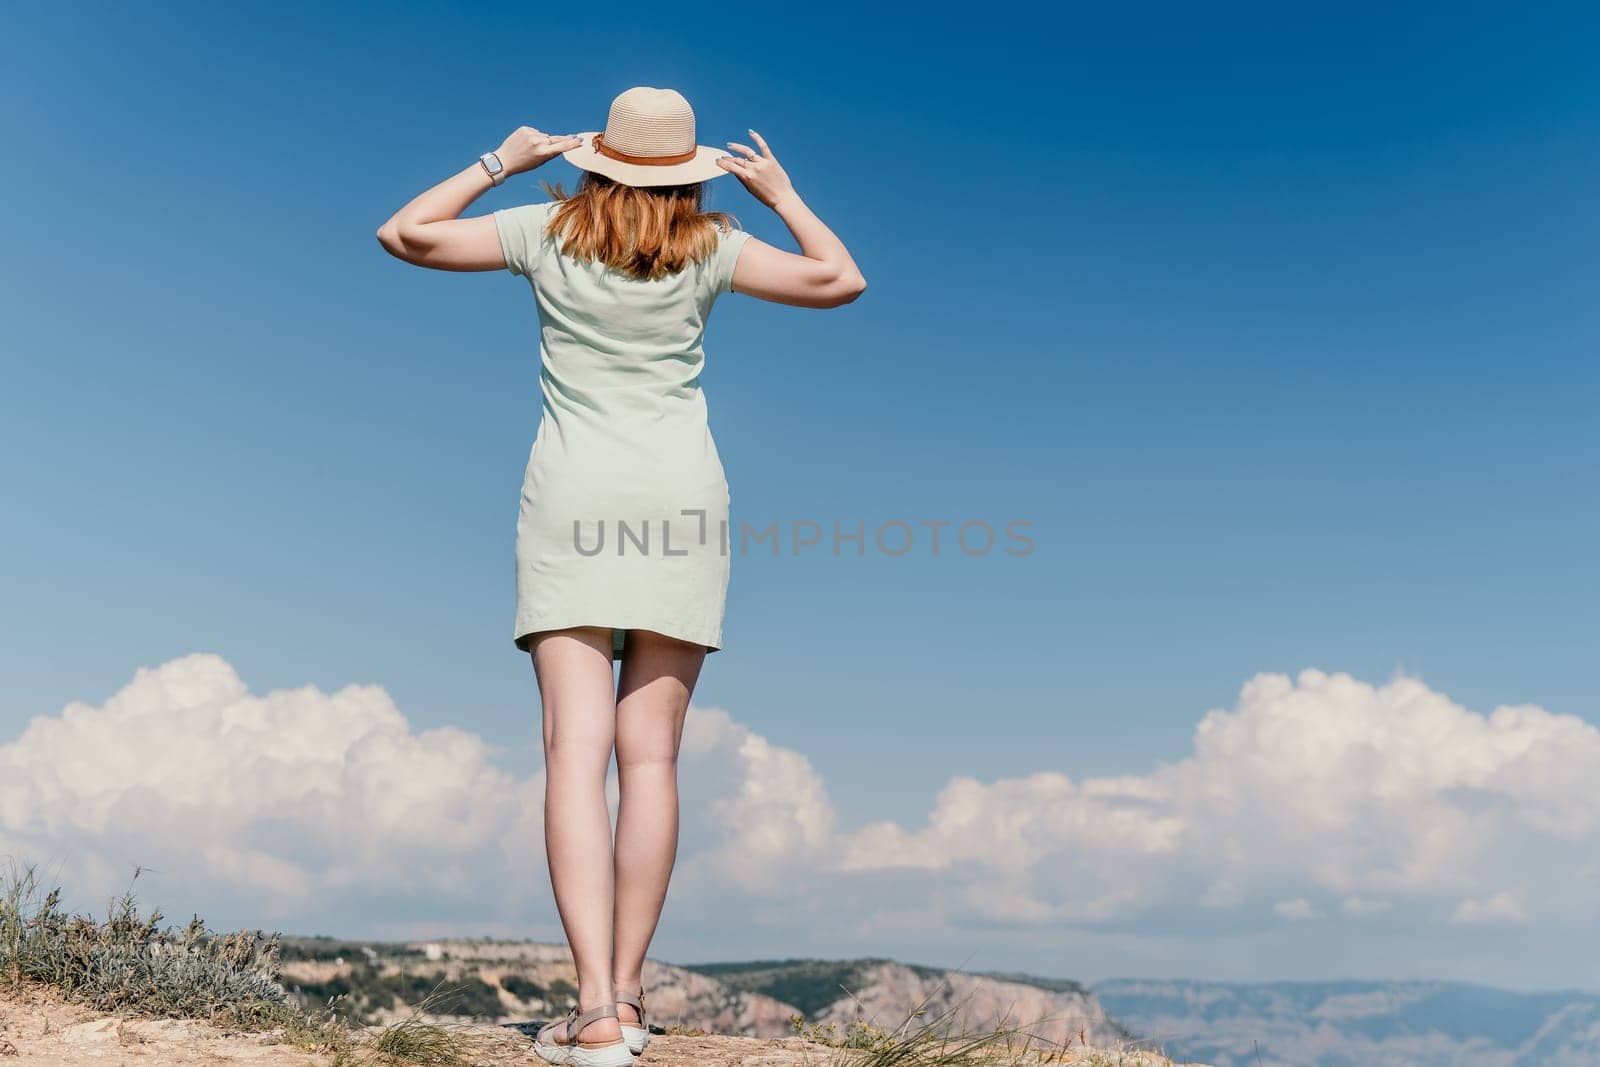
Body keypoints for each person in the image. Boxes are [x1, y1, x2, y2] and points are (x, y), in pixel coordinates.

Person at [375, 86, 866, 1066]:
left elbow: (405, 233)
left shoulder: (540, 232)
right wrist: (779, 191)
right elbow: (839, 278)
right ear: (687, 177)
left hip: (570, 501)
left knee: (573, 755)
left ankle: (592, 1005)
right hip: (681, 505)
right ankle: (631, 1000)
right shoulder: (712, 250)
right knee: (651, 759)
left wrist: (500, 162)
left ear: (597, 162)